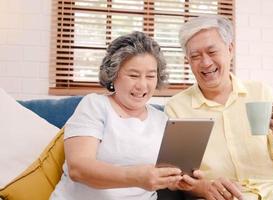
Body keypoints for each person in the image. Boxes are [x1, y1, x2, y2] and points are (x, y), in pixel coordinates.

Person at [164, 15, 273, 200]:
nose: (205, 62)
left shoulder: (260, 93)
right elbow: (176, 178)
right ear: (188, 61)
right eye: (195, 56)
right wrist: (204, 188)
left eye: (212, 52)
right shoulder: (177, 108)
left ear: (230, 50)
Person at [50, 31, 193, 200]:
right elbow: (78, 169)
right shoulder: (95, 105)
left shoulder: (161, 120)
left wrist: (177, 181)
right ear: (113, 74)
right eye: (133, 75)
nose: (142, 85)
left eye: (150, 76)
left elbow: (164, 176)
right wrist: (136, 177)